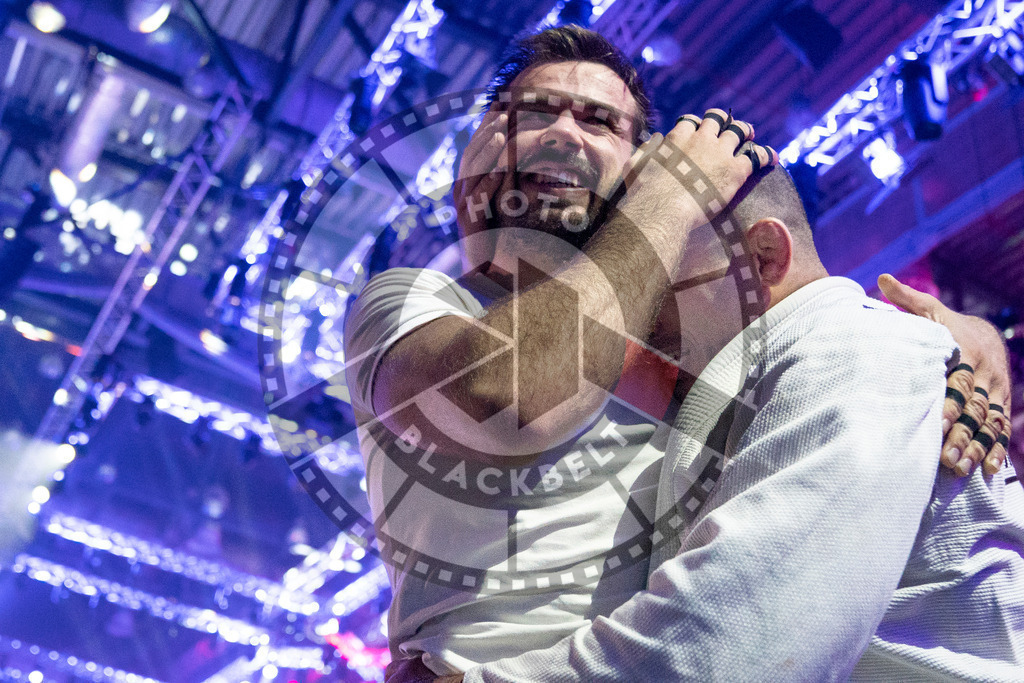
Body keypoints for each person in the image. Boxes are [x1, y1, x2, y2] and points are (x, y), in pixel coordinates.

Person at [342, 25, 1015, 679]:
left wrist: (961, 347)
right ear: (474, 151)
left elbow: (815, 330)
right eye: (531, 112)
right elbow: (508, 392)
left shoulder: (704, 351)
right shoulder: (412, 301)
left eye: (599, 122)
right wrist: (676, 188)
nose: (563, 132)